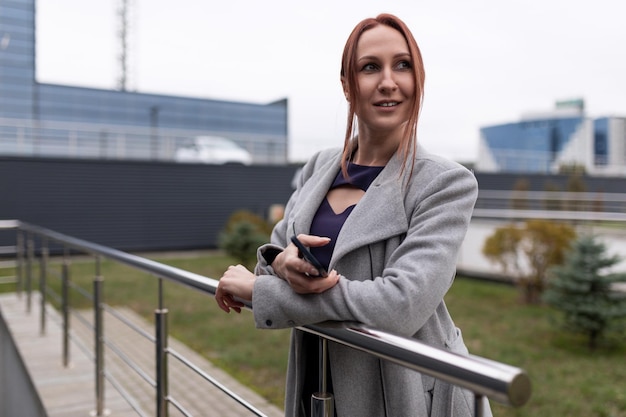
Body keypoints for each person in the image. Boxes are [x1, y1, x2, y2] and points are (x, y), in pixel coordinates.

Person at [215, 13, 493, 417]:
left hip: (411, 393)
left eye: (402, 65)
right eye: (369, 67)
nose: (388, 81)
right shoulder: (319, 166)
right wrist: (282, 261)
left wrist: (262, 293)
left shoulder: (446, 183)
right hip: (318, 381)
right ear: (347, 86)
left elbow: (400, 306)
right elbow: (276, 254)